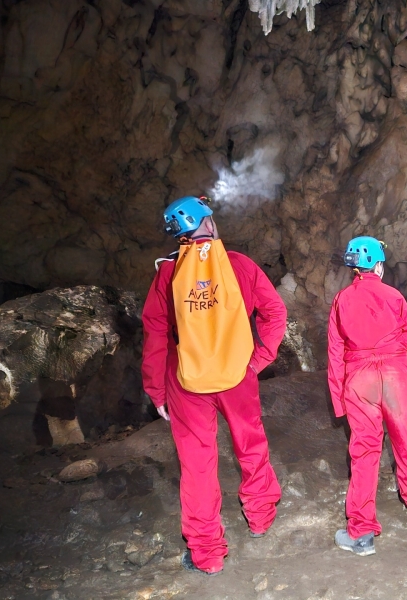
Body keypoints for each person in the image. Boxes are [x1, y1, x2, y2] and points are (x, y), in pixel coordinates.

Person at [141, 195, 287, 574]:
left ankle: (207, 554)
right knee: (250, 442)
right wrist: (259, 359)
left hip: (186, 379)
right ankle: (260, 517)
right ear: (207, 221)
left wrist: (156, 389)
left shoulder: (167, 275)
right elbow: (274, 312)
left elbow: (156, 334)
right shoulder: (239, 265)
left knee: (197, 464)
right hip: (237, 373)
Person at [327, 236, 407, 556]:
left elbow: (336, 352)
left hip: (359, 380)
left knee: (364, 453)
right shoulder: (394, 297)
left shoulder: (341, 300)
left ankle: (362, 534)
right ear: (378, 265)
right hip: (395, 377)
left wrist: (338, 398)